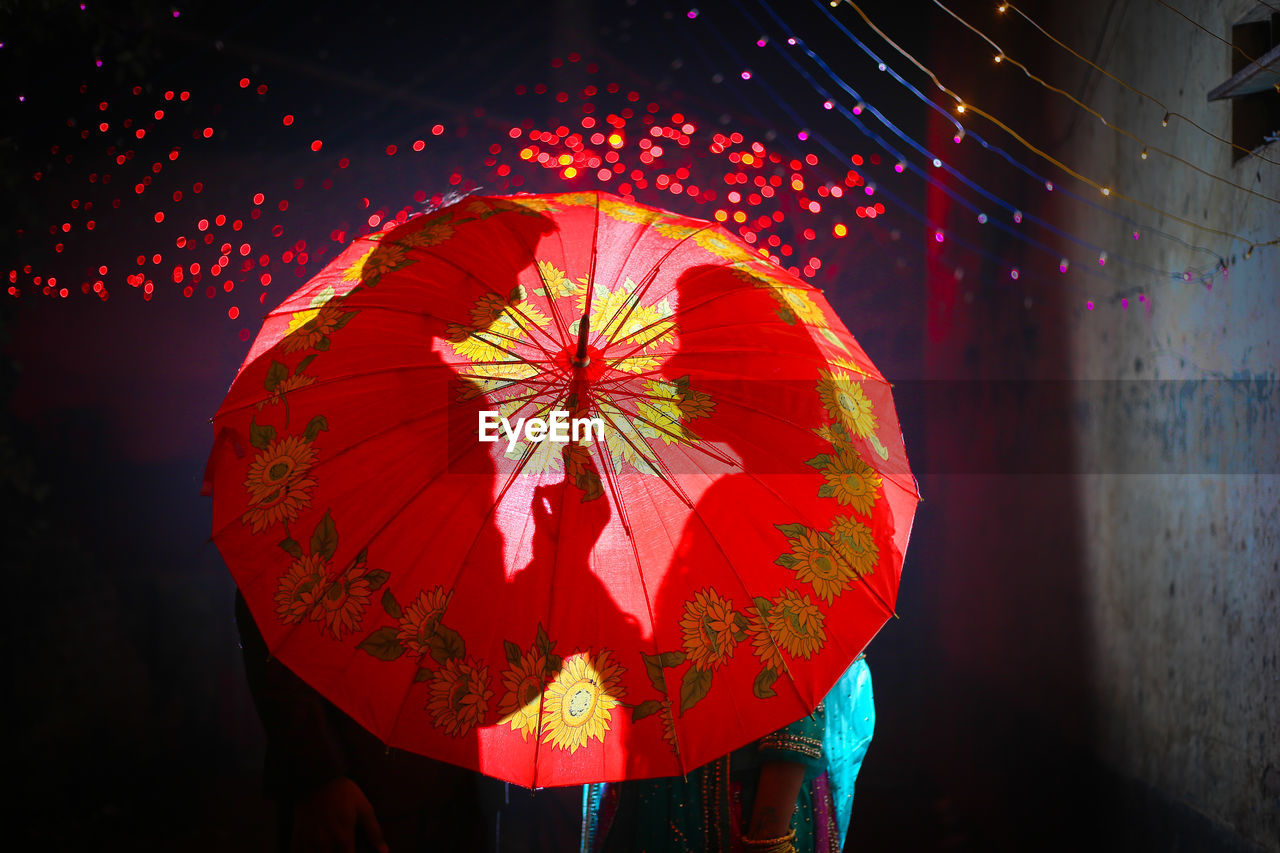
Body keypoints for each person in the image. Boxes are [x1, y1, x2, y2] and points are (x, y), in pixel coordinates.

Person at [582, 657, 874, 853]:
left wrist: (768, 840)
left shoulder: (770, 583)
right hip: (658, 797)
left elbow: (795, 716)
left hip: (745, 809)